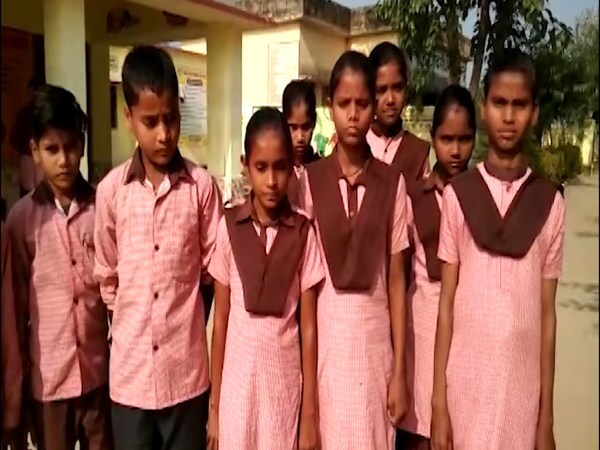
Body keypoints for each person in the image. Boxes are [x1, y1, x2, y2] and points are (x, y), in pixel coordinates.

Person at [431, 49, 565, 450]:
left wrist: (546, 417)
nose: (509, 116)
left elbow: (547, 315)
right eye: (499, 103)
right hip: (465, 391)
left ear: (534, 112)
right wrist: (438, 403)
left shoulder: (550, 203)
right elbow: (446, 305)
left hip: (521, 395)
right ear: (483, 108)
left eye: (519, 105)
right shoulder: (458, 197)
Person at [93, 45, 222, 450]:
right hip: (130, 380)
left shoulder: (201, 188)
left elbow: (212, 274)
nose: (164, 134)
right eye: (150, 122)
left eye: (171, 119)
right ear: (128, 116)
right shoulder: (111, 192)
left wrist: (185, 324)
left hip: (186, 378)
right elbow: (108, 280)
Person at [297, 50, 410, 449]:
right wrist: (307, 402)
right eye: (344, 103)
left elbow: (396, 282)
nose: (353, 114)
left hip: (374, 351)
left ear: (374, 106)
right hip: (327, 351)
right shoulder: (309, 183)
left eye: (362, 103)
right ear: (330, 106)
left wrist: (400, 371)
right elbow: (306, 290)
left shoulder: (392, 184)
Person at [207, 107, 324, 450]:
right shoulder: (228, 228)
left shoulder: (303, 232)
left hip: (282, 391)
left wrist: (308, 415)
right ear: (246, 164)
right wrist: (214, 408)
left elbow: (309, 328)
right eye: (261, 168)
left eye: (280, 167)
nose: (271, 181)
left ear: (291, 166)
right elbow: (220, 322)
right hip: (237, 392)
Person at [3, 84, 112, 450]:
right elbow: (16, 311)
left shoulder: (101, 208)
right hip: (48, 381)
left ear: (82, 144)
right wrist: (18, 394)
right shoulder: (21, 221)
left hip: (99, 376)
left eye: (71, 147)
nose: (64, 160)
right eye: (52, 149)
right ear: (35, 150)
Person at [396, 85, 476, 450]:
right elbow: (399, 276)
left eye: (464, 139)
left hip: (468, 336)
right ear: (432, 138)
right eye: (446, 139)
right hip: (422, 337)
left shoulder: (481, 200)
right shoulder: (414, 197)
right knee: (420, 433)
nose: (455, 150)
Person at [367, 42, 430, 182]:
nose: (390, 99)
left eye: (397, 88)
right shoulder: (358, 145)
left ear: (406, 90)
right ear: (370, 93)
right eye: (381, 90)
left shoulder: (417, 153)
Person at [282, 79, 320, 203]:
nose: (300, 137)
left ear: (314, 121)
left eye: (305, 127)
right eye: (293, 127)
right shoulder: (279, 171)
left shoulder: (323, 171)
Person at [10, 78, 45, 197]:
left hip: (34, 155)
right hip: (35, 155)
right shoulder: (30, 113)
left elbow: (15, 137)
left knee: (33, 192)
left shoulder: (26, 113)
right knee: (36, 191)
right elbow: (15, 137)